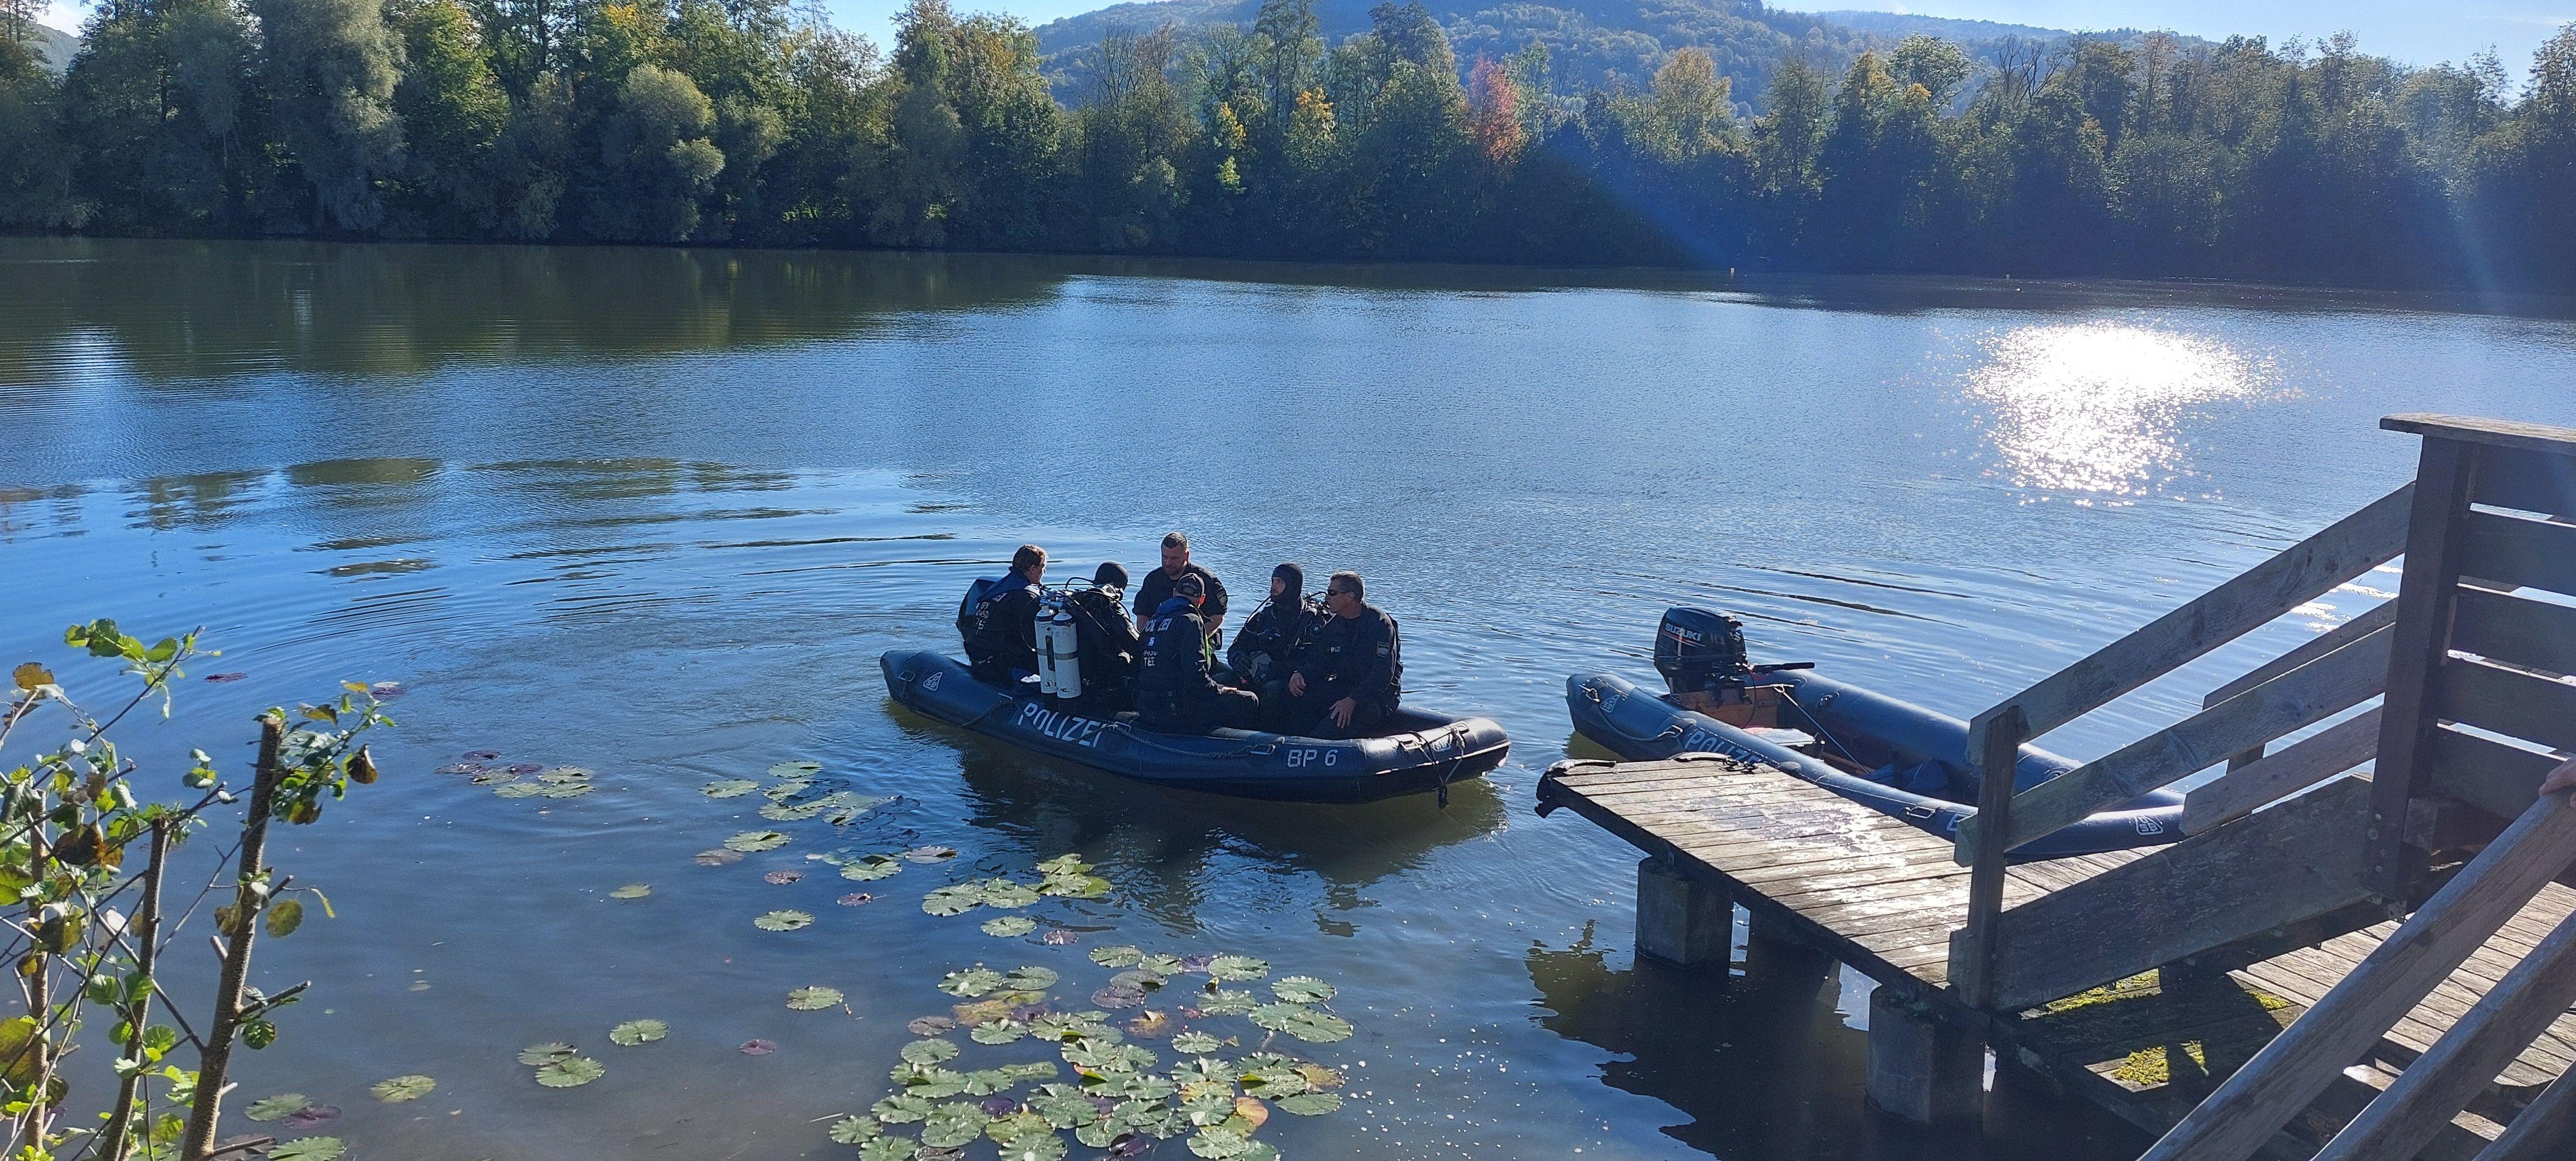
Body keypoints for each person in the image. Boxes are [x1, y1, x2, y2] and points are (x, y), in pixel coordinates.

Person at [1134, 574, 1262, 733]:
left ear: (1174, 593)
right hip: (1175, 711)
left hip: (1147, 707)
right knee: (1250, 700)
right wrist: (1219, 690)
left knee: (1225, 680)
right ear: (1202, 599)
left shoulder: (1152, 622)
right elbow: (1195, 674)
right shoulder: (1191, 621)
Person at [1283, 570, 1401, 739]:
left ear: (1349, 597)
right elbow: (1319, 661)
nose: (1327, 598)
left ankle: (1318, 740)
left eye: (1332, 593)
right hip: (1344, 688)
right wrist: (1300, 674)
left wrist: (1353, 700)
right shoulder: (1334, 626)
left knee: (1328, 730)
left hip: (1376, 697)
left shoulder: (1380, 625)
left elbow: (1382, 675)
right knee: (1293, 696)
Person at [1227, 563, 1326, 726]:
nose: (1273, 587)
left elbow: (1317, 662)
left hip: (1289, 681)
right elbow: (1237, 646)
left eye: (1280, 582)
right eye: (1273, 581)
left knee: (1273, 689)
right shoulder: (1264, 616)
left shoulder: (1311, 622)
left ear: (1293, 586)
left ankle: (1267, 732)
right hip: (1257, 676)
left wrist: (1275, 669)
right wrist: (1236, 657)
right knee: (1224, 678)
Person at [959, 544, 1046, 686]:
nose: (1044, 571)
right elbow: (1038, 637)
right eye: (1043, 568)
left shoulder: (999, 587)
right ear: (1033, 569)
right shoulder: (1025, 597)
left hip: (980, 654)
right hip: (1001, 662)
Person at [1063, 561, 1142, 715]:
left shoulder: (1075, 604)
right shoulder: (1110, 611)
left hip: (1079, 683)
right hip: (1107, 690)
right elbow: (1137, 646)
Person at [1131, 532, 1227, 649]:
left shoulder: (1206, 580)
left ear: (1186, 556)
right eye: (1165, 557)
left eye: (1174, 558)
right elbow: (1142, 616)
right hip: (1160, 642)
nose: (1168, 563)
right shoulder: (1153, 580)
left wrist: (1193, 641)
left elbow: (1217, 617)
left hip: (1199, 642)